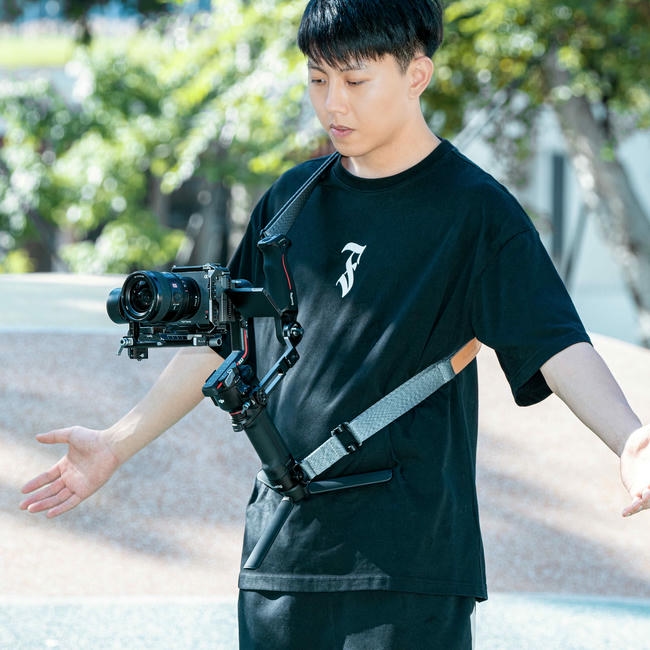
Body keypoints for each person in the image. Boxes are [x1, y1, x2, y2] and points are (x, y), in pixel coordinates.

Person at [20, 1, 650, 648]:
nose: (332, 103)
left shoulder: (476, 213)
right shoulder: (289, 202)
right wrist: (115, 443)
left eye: (354, 80)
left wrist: (631, 441)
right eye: (318, 79)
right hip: (280, 559)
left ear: (416, 75)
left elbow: (556, 344)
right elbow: (222, 343)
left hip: (408, 568)